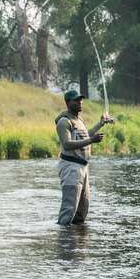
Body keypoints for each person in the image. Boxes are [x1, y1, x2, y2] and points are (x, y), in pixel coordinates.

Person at [55, 90, 114, 226]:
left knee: (82, 210)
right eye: (76, 100)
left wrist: (101, 124)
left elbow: (85, 135)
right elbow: (67, 144)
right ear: (68, 103)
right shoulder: (64, 122)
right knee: (69, 210)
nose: (80, 102)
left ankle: (78, 244)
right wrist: (92, 140)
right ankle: (65, 243)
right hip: (71, 168)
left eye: (81, 100)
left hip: (83, 168)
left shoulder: (79, 120)